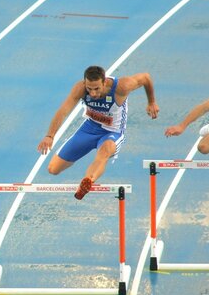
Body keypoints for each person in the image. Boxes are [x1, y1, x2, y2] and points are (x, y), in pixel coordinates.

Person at [37, 65, 159, 200]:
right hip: (89, 128)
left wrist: (151, 102)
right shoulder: (80, 89)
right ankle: (84, 174)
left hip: (112, 133)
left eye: (97, 89)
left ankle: (88, 181)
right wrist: (50, 135)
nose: (93, 93)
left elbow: (146, 77)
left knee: (105, 151)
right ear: (84, 83)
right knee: (53, 169)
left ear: (104, 82)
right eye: (89, 89)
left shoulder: (122, 87)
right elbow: (63, 111)